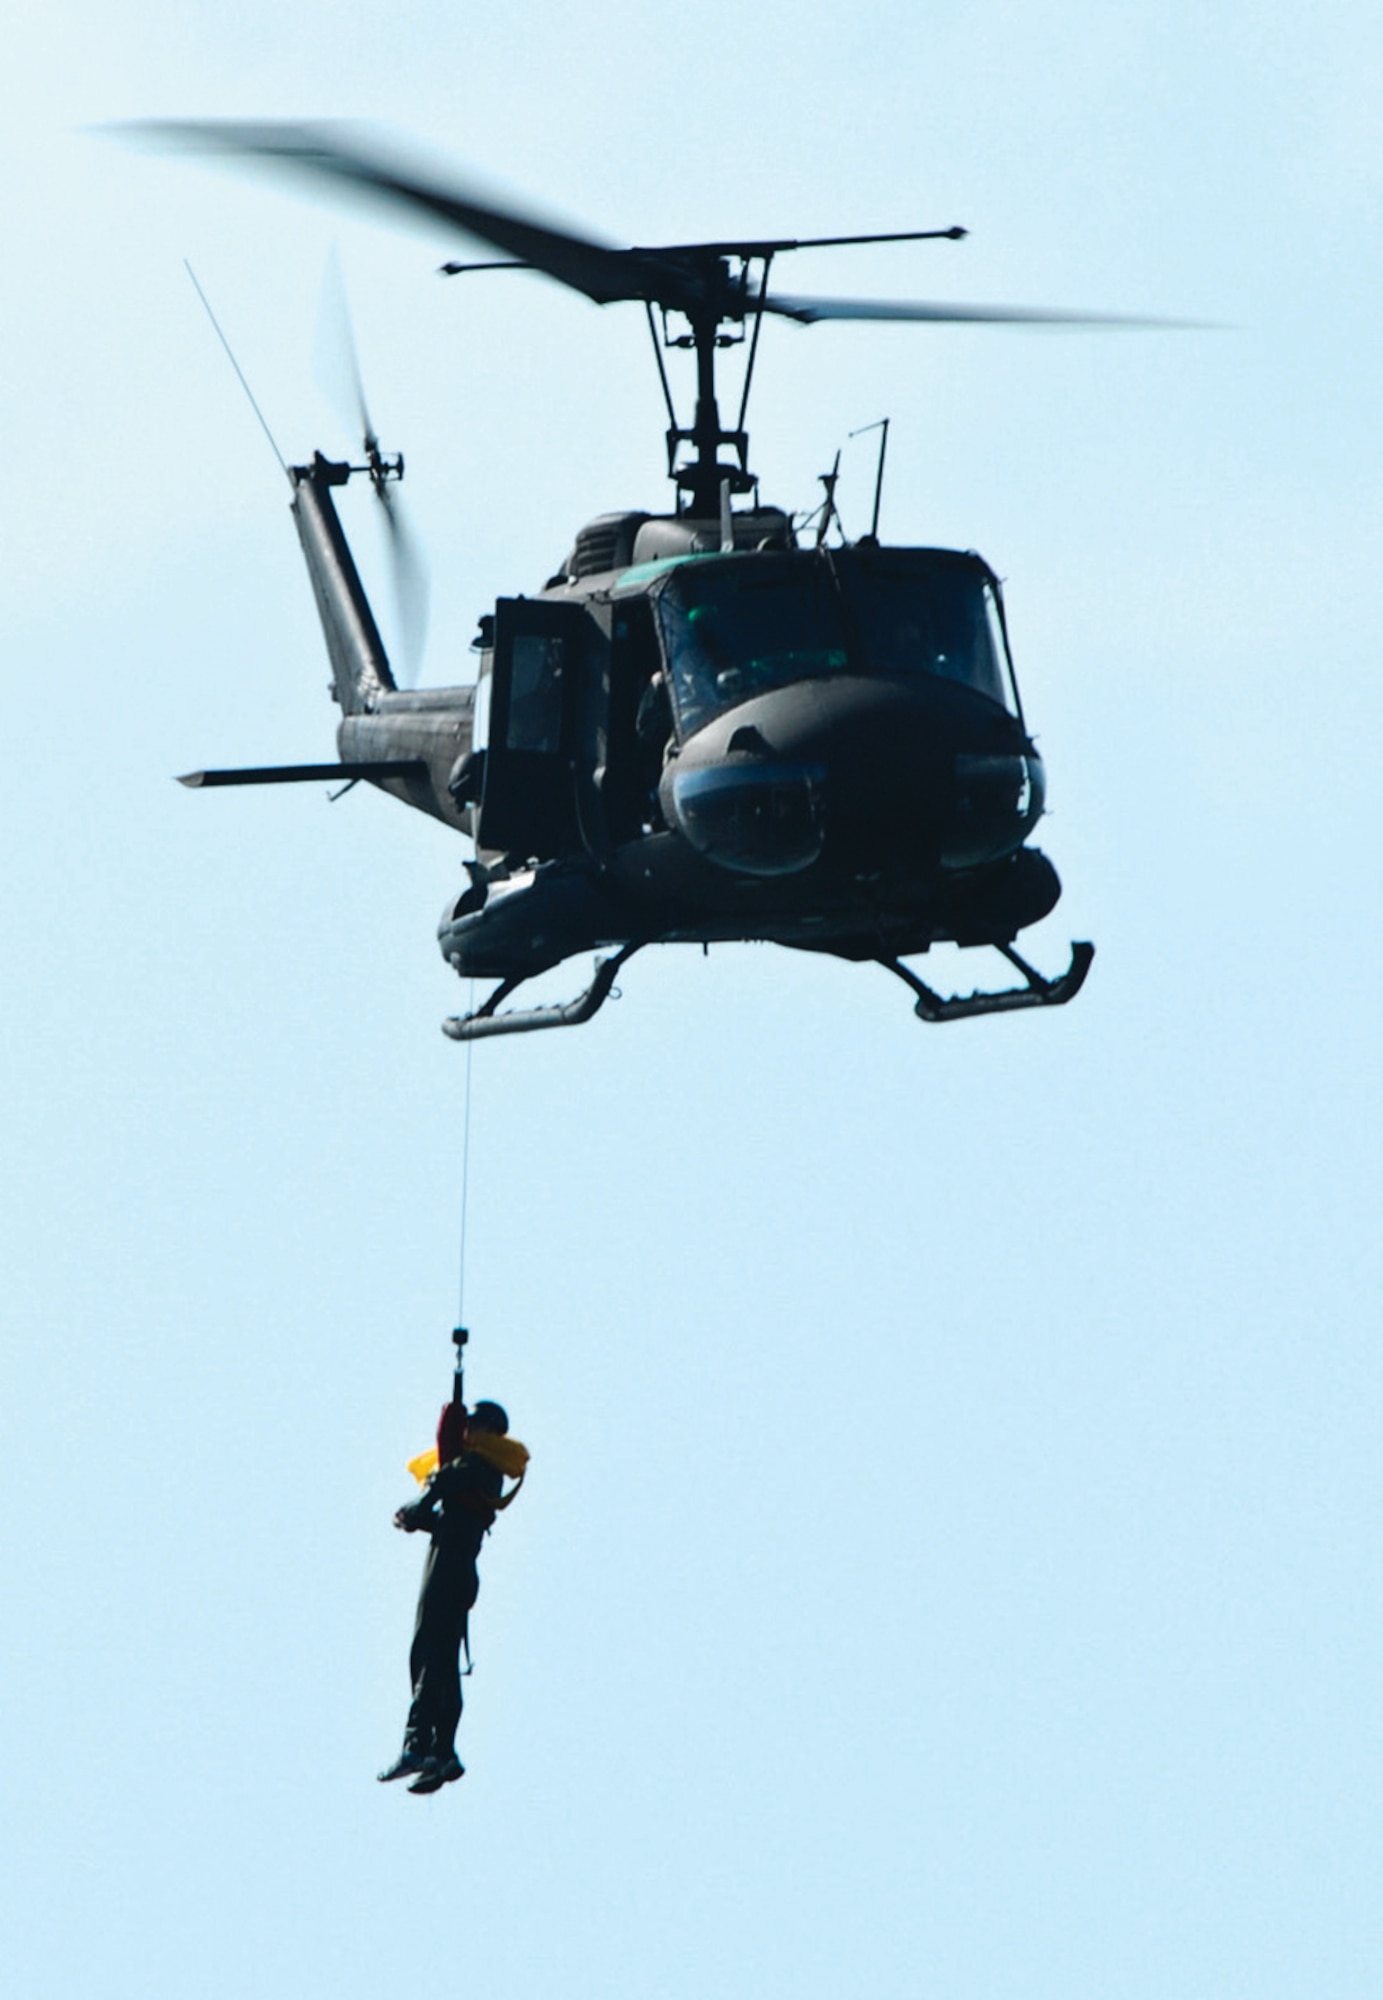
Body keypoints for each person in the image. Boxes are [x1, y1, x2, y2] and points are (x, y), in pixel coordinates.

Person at [378, 1397, 528, 1795]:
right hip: (455, 1565)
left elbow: (446, 1480)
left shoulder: (478, 1465)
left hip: (449, 1570)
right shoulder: (483, 1470)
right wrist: (420, 1517)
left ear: (488, 1431)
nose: (467, 1431)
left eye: (474, 1424)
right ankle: (442, 1751)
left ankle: (417, 1746)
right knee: (440, 1658)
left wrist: (421, 1502)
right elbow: (454, 1514)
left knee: (429, 1653)